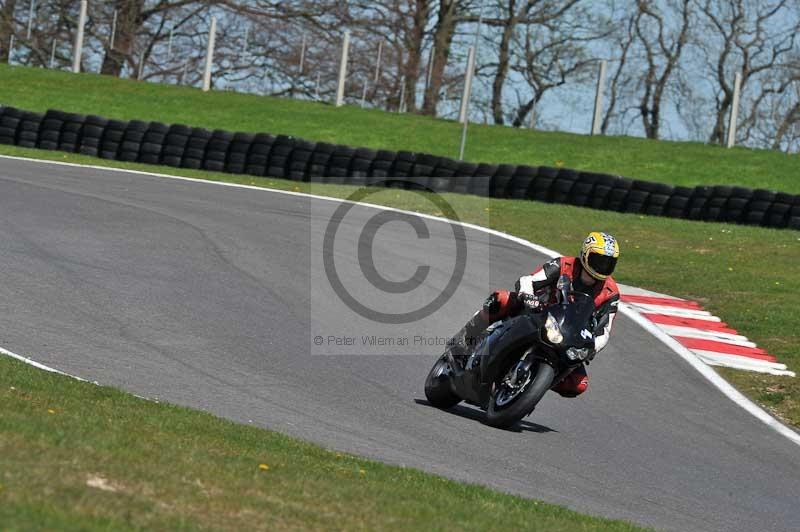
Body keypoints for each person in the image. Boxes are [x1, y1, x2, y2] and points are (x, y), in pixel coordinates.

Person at [448, 231, 621, 398]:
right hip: (536, 312)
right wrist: (527, 295)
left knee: (578, 383)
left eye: (608, 263)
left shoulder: (610, 292)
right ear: (585, 254)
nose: (602, 266)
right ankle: (464, 340)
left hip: (566, 334)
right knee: (500, 299)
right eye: (598, 260)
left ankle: (529, 388)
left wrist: (592, 347)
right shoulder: (563, 265)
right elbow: (529, 280)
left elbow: (605, 330)